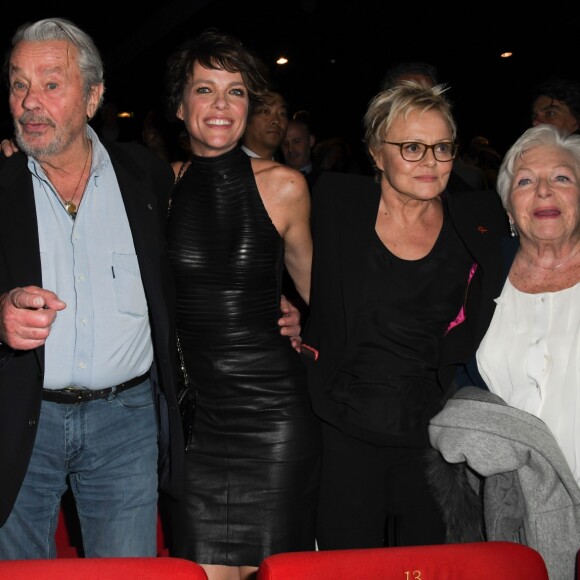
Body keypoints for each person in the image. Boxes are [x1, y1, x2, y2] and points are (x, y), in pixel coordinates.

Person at [0, 17, 303, 560]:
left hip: (128, 423)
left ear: (93, 97)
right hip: (23, 420)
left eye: (51, 83)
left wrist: (278, 302)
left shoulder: (147, 177)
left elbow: (206, 263)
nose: (30, 101)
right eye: (19, 84)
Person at [301, 81, 509, 550]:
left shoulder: (479, 219)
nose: (430, 162)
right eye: (412, 147)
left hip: (431, 437)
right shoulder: (334, 203)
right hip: (340, 427)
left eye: (442, 147)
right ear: (377, 153)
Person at [163, 29, 321, 580]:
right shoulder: (157, 188)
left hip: (273, 412)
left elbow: (322, 291)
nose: (221, 105)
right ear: (181, 107)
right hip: (196, 420)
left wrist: (304, 317)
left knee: (271, 573)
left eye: (235, 91)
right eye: (205, 90)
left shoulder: (284, 186)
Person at [429, 123, 580, 579]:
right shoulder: (481, 270)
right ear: (510, 207)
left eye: (562, 177)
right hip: (511, 506)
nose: (543, 191)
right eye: (526, 181)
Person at [380, 61, 488, 193]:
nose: (422, 108)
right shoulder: (354, 199)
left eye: (430, 99)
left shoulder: (469, 191)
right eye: (412, 147)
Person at [241, 90, 289, 160]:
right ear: (245, 118)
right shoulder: (225, 167)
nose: (276, 121)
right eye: (265, 111)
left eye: (282, 113)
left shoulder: (287, 169)